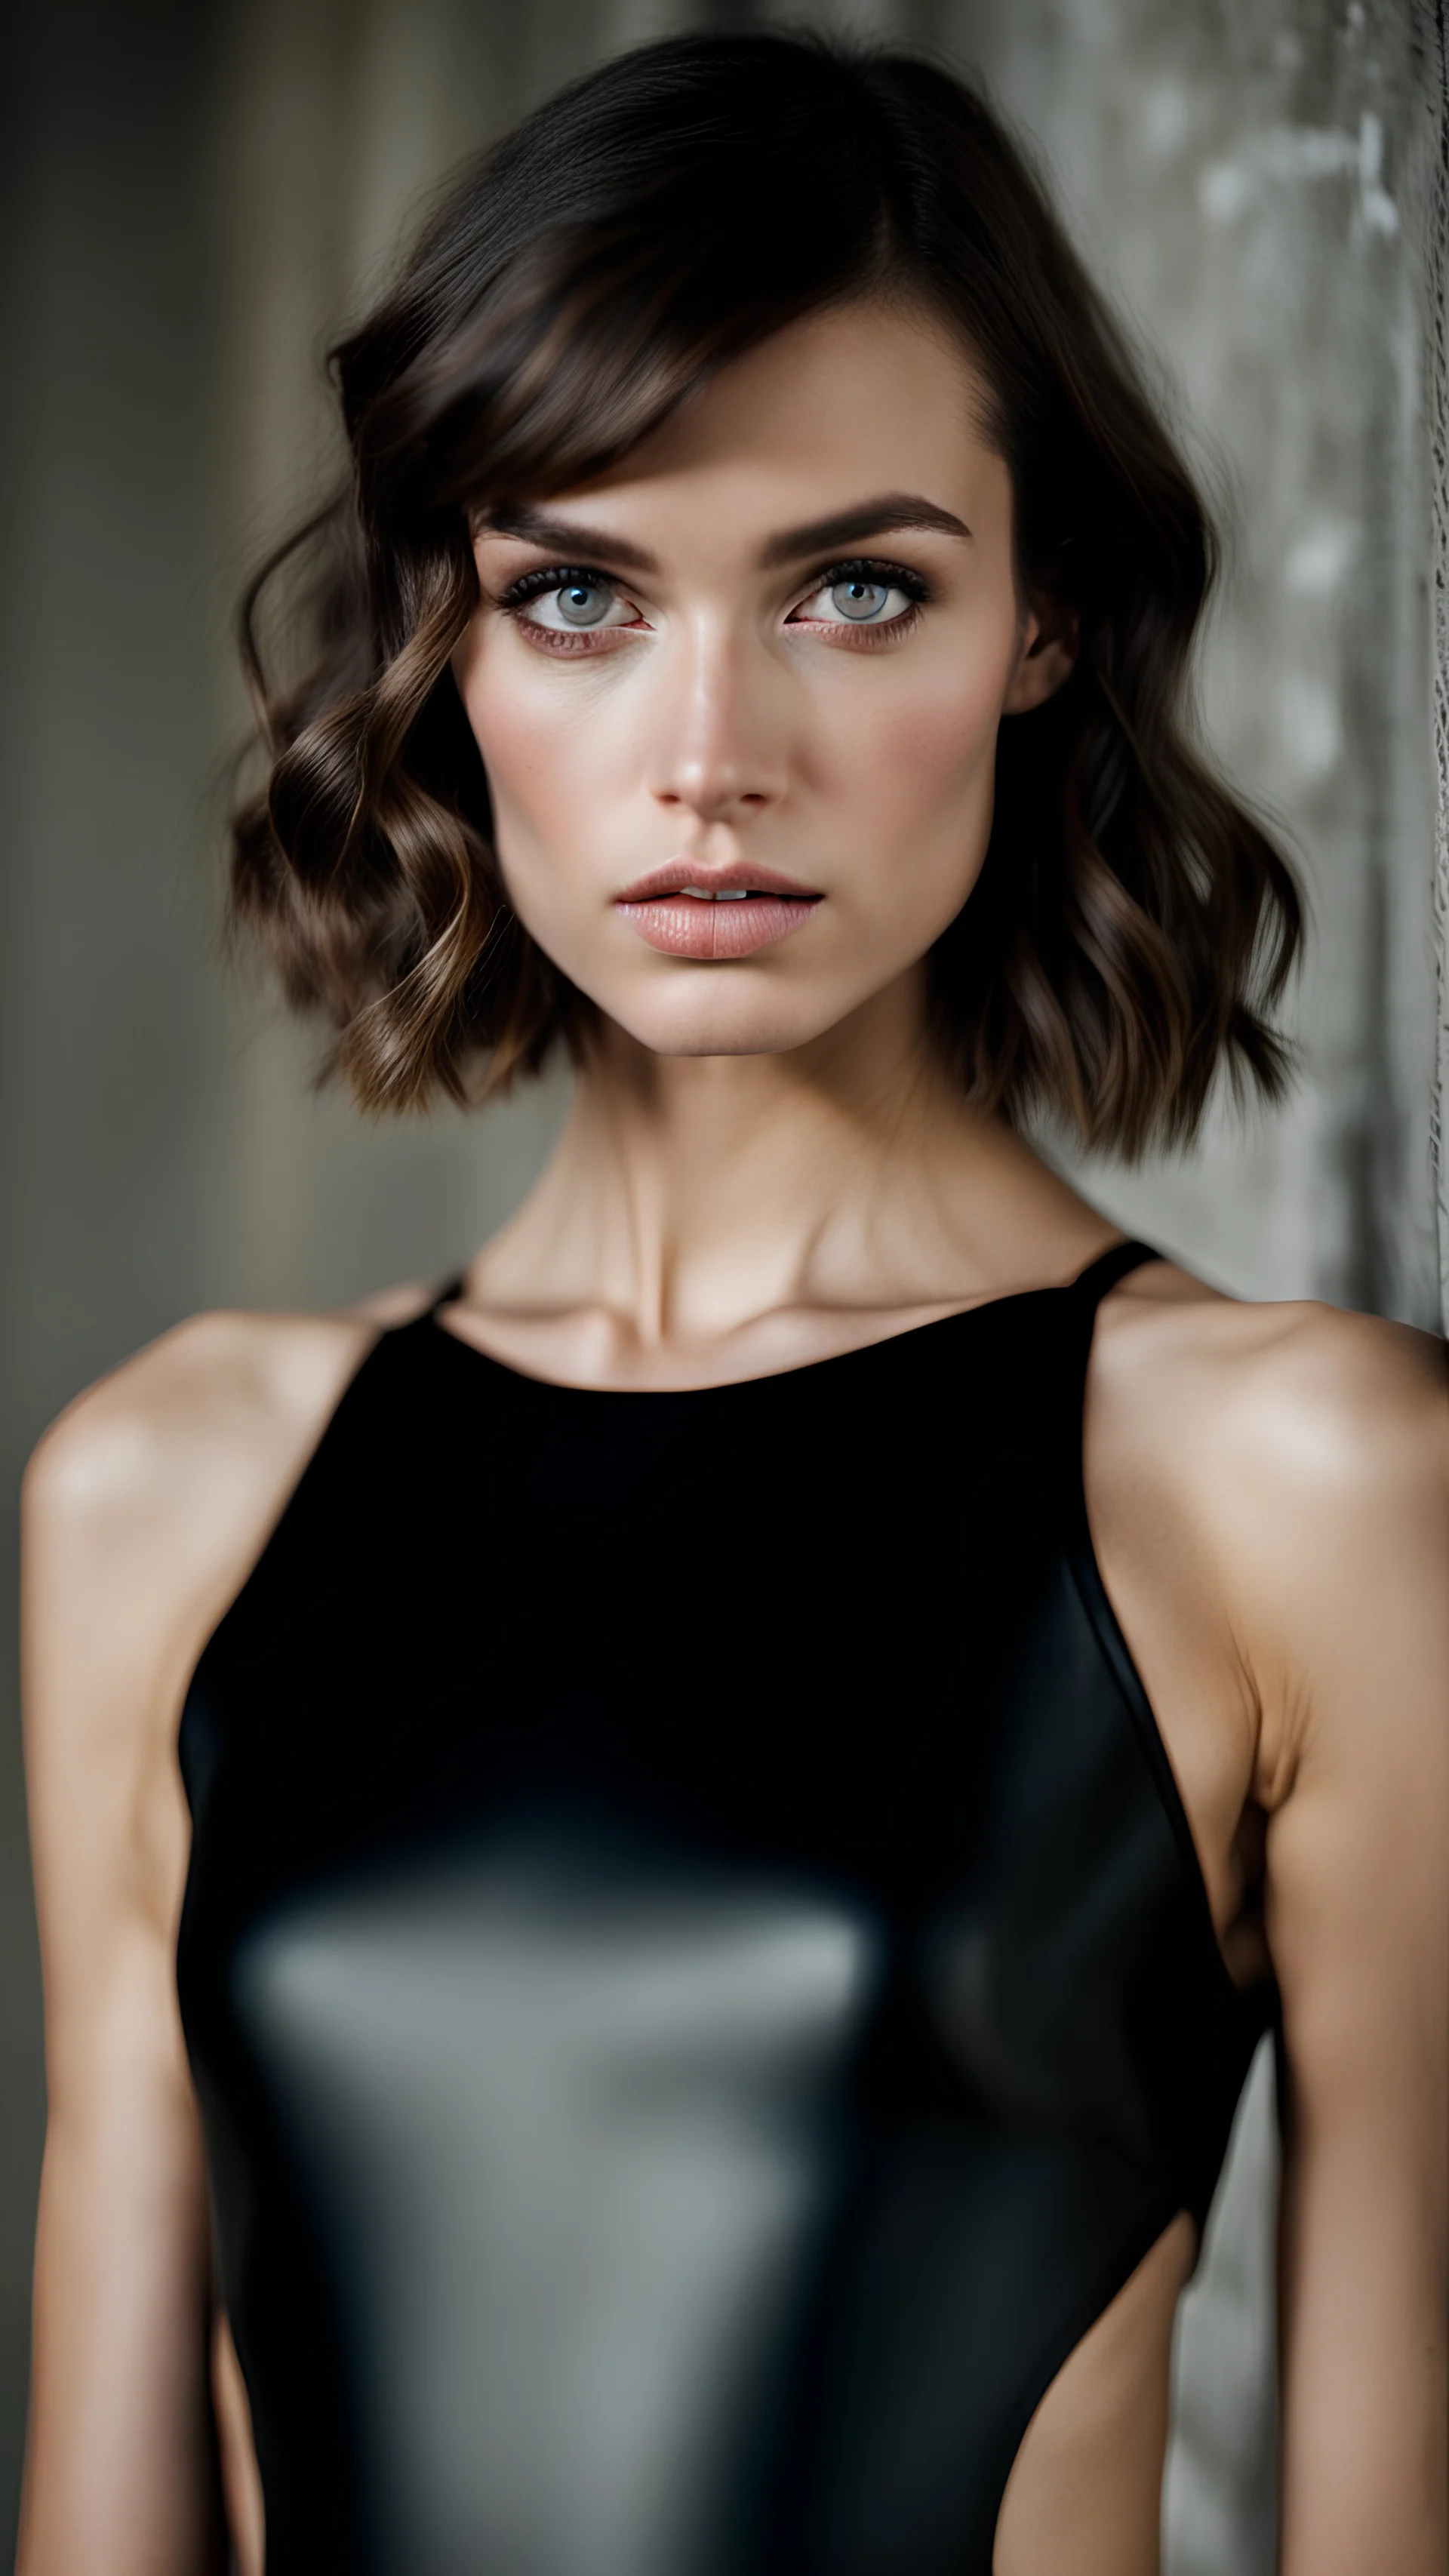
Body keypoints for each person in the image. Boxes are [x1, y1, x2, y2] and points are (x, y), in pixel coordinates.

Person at [17, 31, 1447, 2576]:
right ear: (451, 661)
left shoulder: (1295, 1481)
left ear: (1046, 623)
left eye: (853, 589)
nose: (711, 752)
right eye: (579, 594)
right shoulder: (171, 1489)